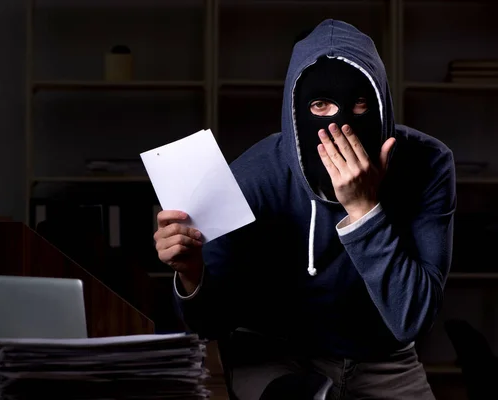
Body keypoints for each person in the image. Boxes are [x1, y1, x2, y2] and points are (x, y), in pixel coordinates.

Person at [153, 19, 455, 400]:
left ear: (381, 105)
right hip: (278, 352)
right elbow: (206, 323)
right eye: (320, 105)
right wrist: (192, 272)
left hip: (385, 358)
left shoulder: (427, 163)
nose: (340, 125)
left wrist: (364, 210)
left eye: (360, 105)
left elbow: (414, 317)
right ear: (296, 112)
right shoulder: (256, 175)